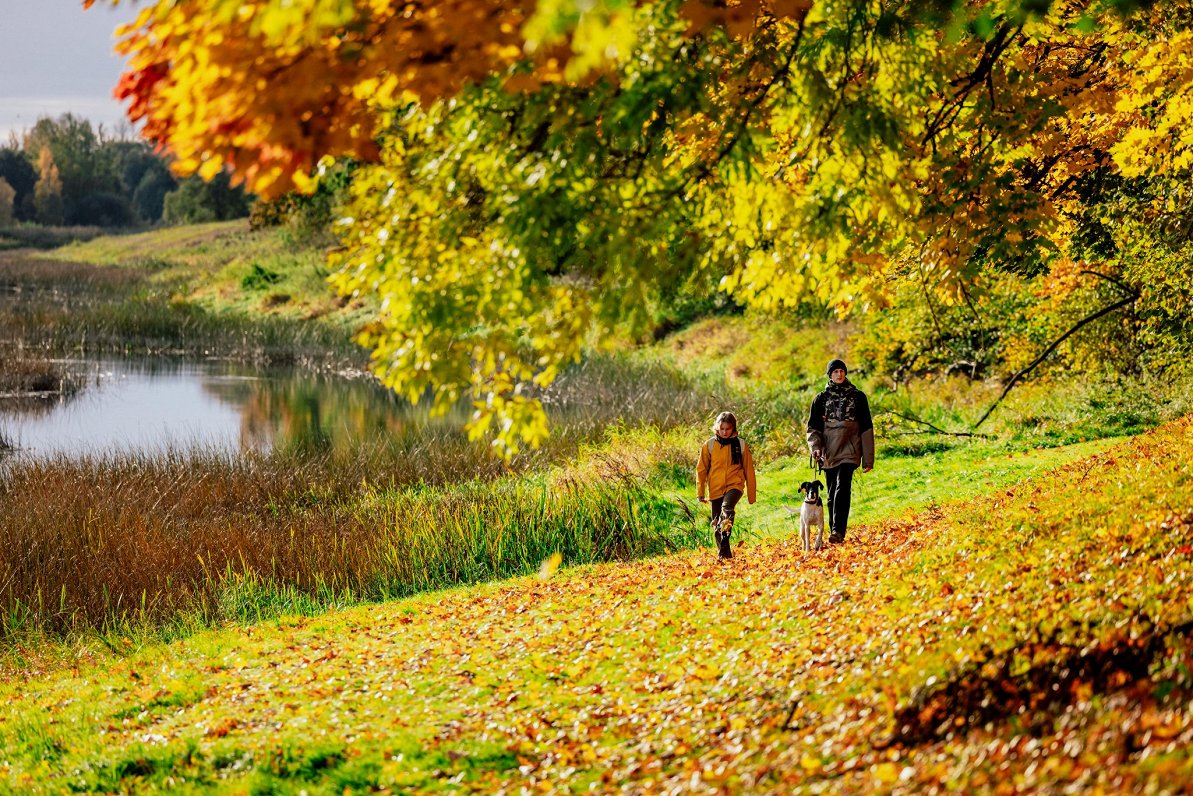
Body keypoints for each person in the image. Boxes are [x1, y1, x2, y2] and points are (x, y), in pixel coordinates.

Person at [806, 358, 874, 544]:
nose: (839, 374)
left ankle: (838, 530)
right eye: (835, 371)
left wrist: (868, 459)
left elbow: (867, 427)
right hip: (829, 450)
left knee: (842, 486)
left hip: (850, 449)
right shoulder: (820, 399)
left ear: (845, 373)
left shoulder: (858, 397)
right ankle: (833, 529)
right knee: (831, 492)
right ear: (830, 375)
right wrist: (816, 448)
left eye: (842, 371)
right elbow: (813, 428)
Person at [697, 411, 757, 559]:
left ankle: (724, 541)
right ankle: (725, 554)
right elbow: (701, 469)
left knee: (727, 509)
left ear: (733, 428)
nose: (724, 432)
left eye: (727, 429)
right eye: (721, 428)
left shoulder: (741, 444)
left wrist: (751, 495)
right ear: (717, 427)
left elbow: (749, 470)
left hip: (734, 485)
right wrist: (700, 493)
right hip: (715, 488)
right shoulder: (709, 445)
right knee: (717, 524)